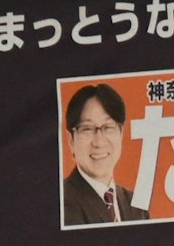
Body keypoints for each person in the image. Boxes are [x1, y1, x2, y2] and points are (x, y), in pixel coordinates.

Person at [60, 82, 144, 226]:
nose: (99, 142)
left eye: (108, 127)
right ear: (70, 140)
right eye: (87, 129)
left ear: (121, 133)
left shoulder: (136, 205)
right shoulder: (63, 201)